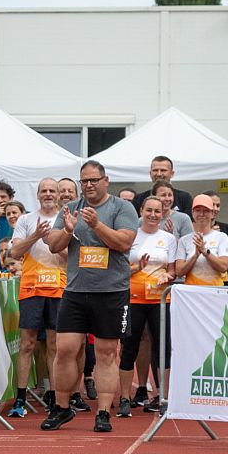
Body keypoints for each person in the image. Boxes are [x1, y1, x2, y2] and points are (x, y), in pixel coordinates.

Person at [43, 159, 138, 432]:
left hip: (112, 291)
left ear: (106, 181)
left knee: (107, 353)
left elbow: (124, 242)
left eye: (94, 180)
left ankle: (104, 413)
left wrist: (96, 225)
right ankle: (62, 408)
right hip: (75, 290)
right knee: (65, 350)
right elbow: (53, 245)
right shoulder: (71, 209)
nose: (89, 185)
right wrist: (70, 230)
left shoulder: (122, 207)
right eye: (84, 181)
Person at [10, 178, 67, 418]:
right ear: (37, 194)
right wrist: (35, 236)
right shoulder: (25, 220)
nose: (48, 194)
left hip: (58, 289)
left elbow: (69, 255)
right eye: (44, 190)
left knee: (55, 346)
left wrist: (51, 242)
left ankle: (54, 397)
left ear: (58, 195)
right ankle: (20, 398)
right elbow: (14, 252)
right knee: (27, 344)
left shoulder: (66, 219)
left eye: (52, 191)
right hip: (32, 289)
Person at [118, 196, 177, 418]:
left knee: (162, 348)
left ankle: (163, 397)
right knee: (129, 347)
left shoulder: (169, 239)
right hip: (132, 299)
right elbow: (119, 270)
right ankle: (125, 398)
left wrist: (167, 276)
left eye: (157, 211)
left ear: (163, 214)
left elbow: (173, 271)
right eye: (149, 210)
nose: (153, 215)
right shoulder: (131, 235)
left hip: (160, 301)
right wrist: (136, 268)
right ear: (140, 211)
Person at [176, 194, 228, 287]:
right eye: (198, 210)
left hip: (214, 292)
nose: (202, 214)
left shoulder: (222, 237)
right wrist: (195, 256)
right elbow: (179, 272)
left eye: (206, 211)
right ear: (192, 213)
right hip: (191, 293)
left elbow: (223, 267)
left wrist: (206, 252)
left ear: (212, 213)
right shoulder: (184, 240)